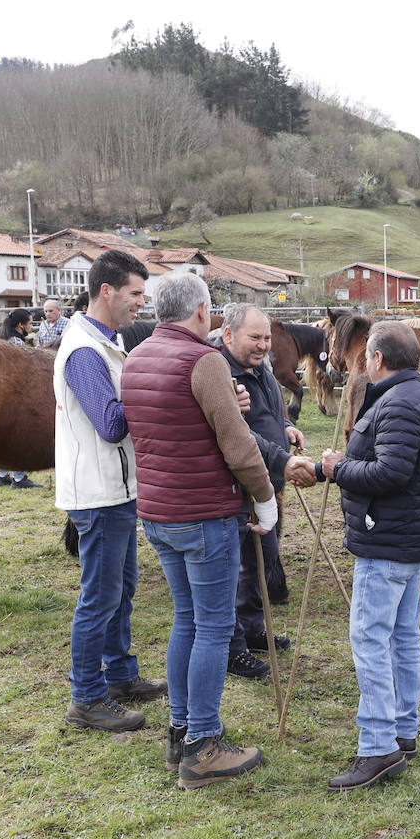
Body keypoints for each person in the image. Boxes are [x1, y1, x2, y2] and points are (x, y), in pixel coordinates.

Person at [121, 272, 279, 789]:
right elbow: (237, 446)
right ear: (202, 311)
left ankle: (181, 730)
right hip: (203, 513)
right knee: (212, 627)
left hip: (159, 513)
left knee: (186, 620)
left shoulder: (138, 355)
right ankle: (203, 745)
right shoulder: (203, 360)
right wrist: (265, 496)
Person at [315, 321, 420, 792]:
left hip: (387, 542)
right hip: (406, 539)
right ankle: (402, 731)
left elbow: (390, 473)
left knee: (371, 640)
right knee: (401, 637)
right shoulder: (416, 394)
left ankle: (377, 746)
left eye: (366, 356)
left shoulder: (398, 403)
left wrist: (336, 468)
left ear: (377, 359)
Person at [55, 249, 167, 734]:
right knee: (99, 596)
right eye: (135, 293)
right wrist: (154, 394)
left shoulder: (108, 343)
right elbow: (108, 423)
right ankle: (86, 697)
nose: (141, 303)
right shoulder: (84, 350)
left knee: (121, 589)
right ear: (107, 291)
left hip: (117, 488)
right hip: (98, 492)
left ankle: (120, 675)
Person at [219, 303, 317, 681]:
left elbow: (266, 416)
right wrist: (280, 460)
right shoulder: (221, 373)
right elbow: (239, 433)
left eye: (267, 338)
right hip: (239, 485)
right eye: (254, 338)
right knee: (238, 567)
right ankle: (234, 649)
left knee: (262, 557)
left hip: (266, 486)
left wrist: (286, 426)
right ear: (228, 335)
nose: (263, 346)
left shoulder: (258, 369)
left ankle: (253, 628)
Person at [0, 309, 43, 490]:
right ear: (21, 325)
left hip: (2, 393)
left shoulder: (3, 337)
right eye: (30, 323)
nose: (31, 326)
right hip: (16, 394)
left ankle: (1, 474)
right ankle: (19, 478)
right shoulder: (15, 342)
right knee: (21, 437)